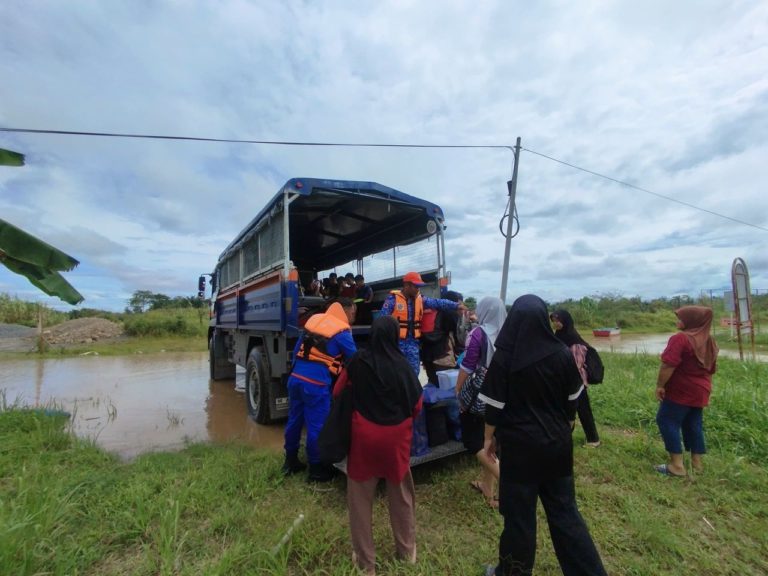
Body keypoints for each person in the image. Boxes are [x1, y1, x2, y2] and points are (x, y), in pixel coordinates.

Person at [480, 294, 607, 576]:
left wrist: (488, 440)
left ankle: (512, 573)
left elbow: (494, 408)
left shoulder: (505, 357)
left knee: (519, 519)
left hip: (519, 451)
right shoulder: (561, 354)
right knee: (566, 514)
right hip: (556, 448)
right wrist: (564, 427)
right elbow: (572, 403)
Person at [336, 315, 423, 575]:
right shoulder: (404, 366)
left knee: (360, 501)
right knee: (402, 496)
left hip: (364, 439)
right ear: (396, 336)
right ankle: (406, 553)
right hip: (396, 441)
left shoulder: (357, 362)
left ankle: (366, 563)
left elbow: (337, 392)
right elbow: (417, 406)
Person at [282, 298, 357, 481]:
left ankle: (290, 461)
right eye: (353, 312)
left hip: (295, 379)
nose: (353, 317)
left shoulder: (314, 321)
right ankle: (316, 469)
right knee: (316, 426)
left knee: (294, 420)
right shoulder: (342, 332)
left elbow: (298, 350)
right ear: (346, 311)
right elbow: (355, 360)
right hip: (315, 384)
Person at [654, 306, 718, 477]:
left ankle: (677, 466)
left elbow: (668, 364)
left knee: (666, 420)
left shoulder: (680, 339)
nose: (678, 321)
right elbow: (711, 368)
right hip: (701, 390)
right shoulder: (709, 340)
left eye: (681, 318)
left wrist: (660, 385)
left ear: (691, 320)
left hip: (681, 390)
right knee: (693, 424)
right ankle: (697, 464)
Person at [455, 296, 506, 508]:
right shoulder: (508, 333)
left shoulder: (478, 333)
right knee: (491, 441)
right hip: (501, 394)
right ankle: (487, 487)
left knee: (475, 441)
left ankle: (510, 487)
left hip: (480, 393)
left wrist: (459, 390)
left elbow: (468, 366)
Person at [380, 271, 465, 375]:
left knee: (414, 372)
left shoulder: (421, 300)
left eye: (419, 286)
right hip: (395, 343)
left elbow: (438, 303)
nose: (418, 289)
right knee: (395, 373)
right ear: (407, 285)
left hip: (412, 343)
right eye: (416, 286)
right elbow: (381, 322)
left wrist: (456, 305)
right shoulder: (392, 300)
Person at [550, 309, 601, 447]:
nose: (555, 324)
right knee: (567, 410)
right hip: (565, 383)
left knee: (583, 411)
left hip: (577, 383)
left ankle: (593, 440)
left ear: (565, 321)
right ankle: (565, 436)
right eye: (553, 321)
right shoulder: (558, 336)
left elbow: (576, 366)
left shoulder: (574, 341)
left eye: (558, 320)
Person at [421, 290, 464, 385]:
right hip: (443, 356)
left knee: (433, 382)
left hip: (426, 355)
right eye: (459, 303)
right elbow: (460, 338)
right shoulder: (450, 313)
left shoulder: (433, 311)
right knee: (446, 385)